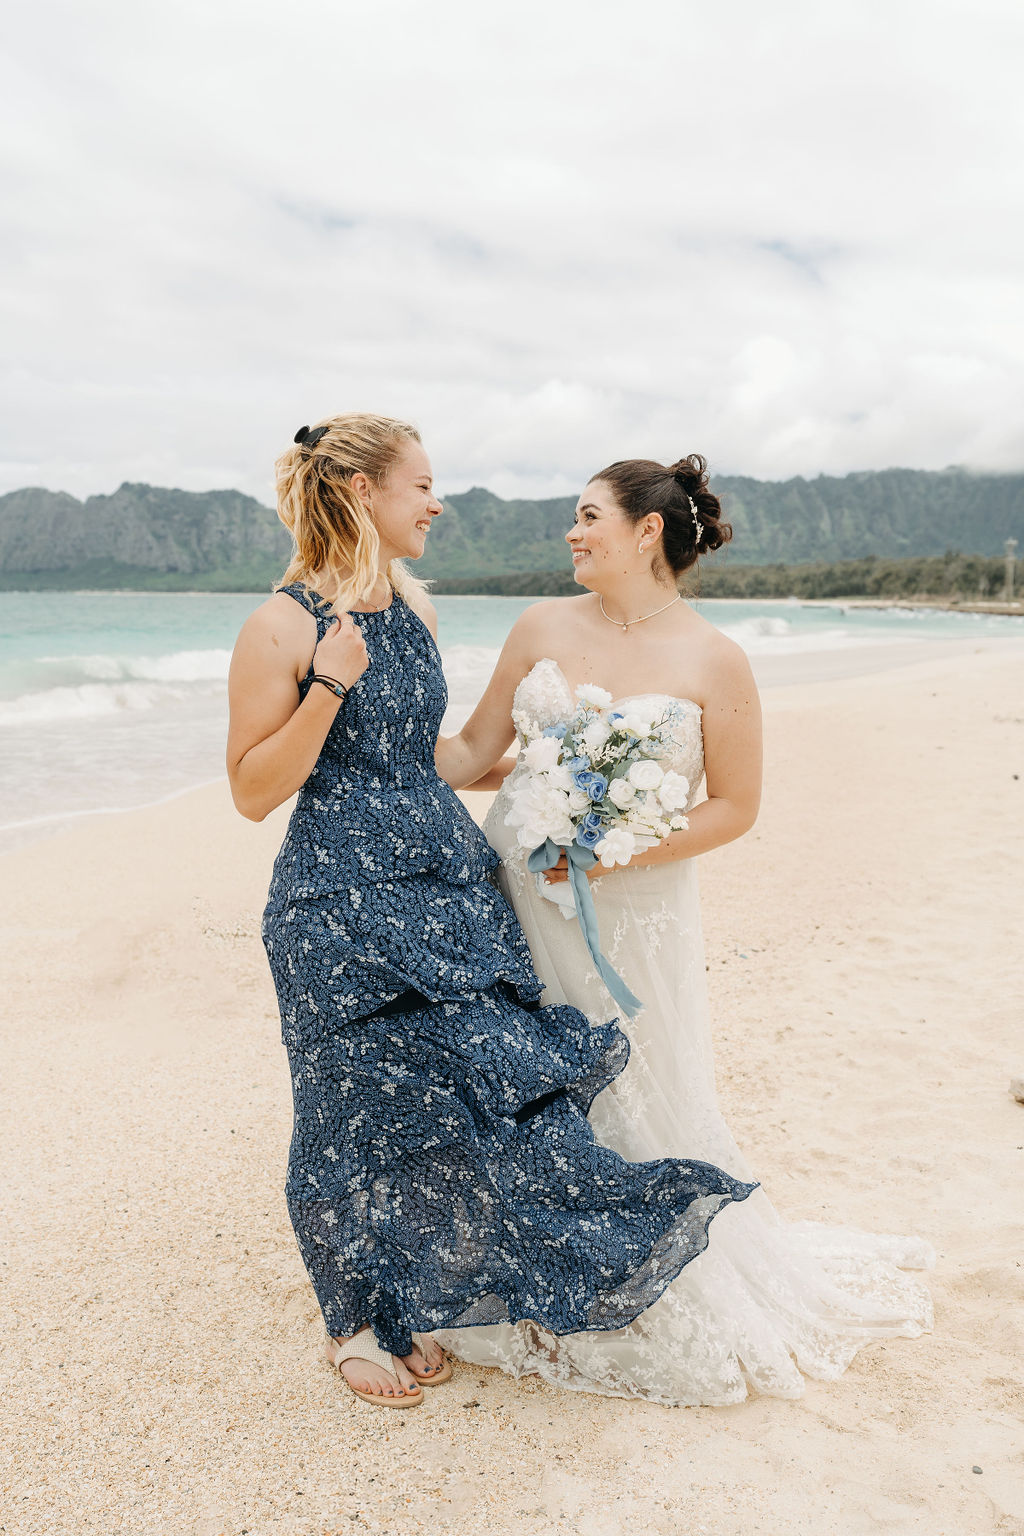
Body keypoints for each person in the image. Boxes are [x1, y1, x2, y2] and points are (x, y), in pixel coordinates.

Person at [226, 419, 757, 1410]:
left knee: (467, 1093)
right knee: (342, 1110)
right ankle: (351, 1317)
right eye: (421, 486)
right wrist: (326, 689)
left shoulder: (411, 607)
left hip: (448, 887)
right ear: (355, 490)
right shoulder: (281, 625)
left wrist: (568, 786)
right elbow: (255, 790)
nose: (437, 503)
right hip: (335, 901)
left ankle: (436, 1288)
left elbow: (427, 760)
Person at [434, 453, 933, 1405]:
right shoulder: (539, 625)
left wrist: (611, 848)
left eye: (587, 517)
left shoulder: (715, 658)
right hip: (524, 893)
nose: (571, 534)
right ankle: (542, 1265)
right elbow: (473, 751)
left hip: (636, 908)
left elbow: (735, 805)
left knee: (639, 1073)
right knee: (530, 1072)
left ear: (646, 530)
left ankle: (652, 1275)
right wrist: (366, 742)